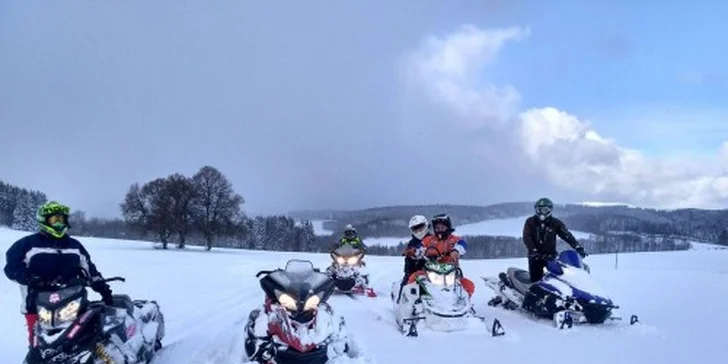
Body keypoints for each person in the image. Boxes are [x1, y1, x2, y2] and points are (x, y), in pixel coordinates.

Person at [3, 201, 113, 345]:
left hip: (71, 303)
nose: (59, 224)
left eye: (62, 220)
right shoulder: (26, 244)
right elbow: (12, 268)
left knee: (78, 341)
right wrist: (30, 278)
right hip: (37, 305)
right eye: (55, 220)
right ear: (44, 221)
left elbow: (89, 269)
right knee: (40, 345)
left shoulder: (75, 246)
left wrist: (102, 287)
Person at [406, 214, 475, 297]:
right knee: (414, 278)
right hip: (431, 270)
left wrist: (456, 250)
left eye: (442, 228)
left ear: (448, 227)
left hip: (451, 271)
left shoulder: (454, 239)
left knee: (468, 285)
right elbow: (421, 247)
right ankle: (411, 302)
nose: (440, 230)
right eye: (437, 228)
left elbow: (462, 245)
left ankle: (464, 302)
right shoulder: (429, 239)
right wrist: (414, 252)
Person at [523, 197, 588, 283]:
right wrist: (534, 251)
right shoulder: (530, 221)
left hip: (550, 256)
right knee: (536, 281)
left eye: (545, 210)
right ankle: (533, 295)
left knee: (559, 279)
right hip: (535, 257)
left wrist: (577, 247)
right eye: (539, 210)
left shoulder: (555, 223)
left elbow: (566, 235)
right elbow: (527, 237)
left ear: (550, 210)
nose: (542, 212)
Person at [401, 215, 430, 286]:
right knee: (405, 285)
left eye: (421, 227)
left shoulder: (433, 239)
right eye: (415, 228)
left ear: (426, 226)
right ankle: (400, 296)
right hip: (414, 270)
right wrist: (410, 254)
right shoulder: (412, 242)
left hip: (433, 270)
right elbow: (408, 256)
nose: (419, 230)